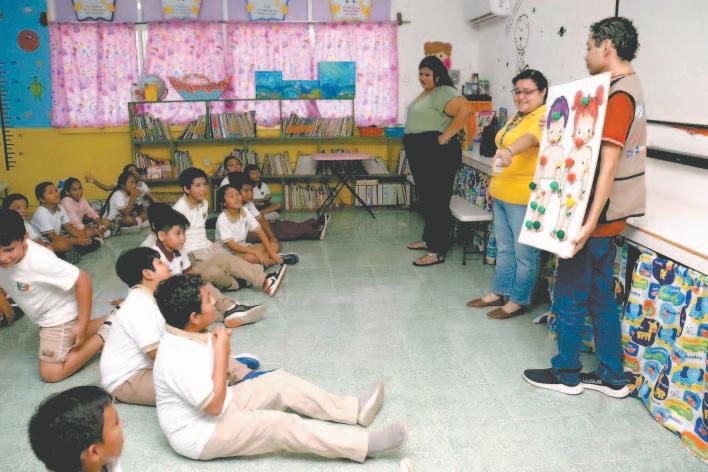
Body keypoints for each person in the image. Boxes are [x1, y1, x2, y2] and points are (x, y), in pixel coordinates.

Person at [153, 274, 409, 463]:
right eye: (209, 301)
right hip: (202, 433)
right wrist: (222, 354)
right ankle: (364, 445)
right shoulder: (175, 357)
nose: (215, 303)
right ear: (194, 317)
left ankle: (353, 409)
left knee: (280, 381)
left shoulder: (189, 330)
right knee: (279, 425)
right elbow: (214, 407)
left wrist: (222, 354)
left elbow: (214, 387)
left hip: (220, 404)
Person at [523, 16, 645, 398]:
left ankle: (567, 373)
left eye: (590, 46)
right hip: (605, 220)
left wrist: (587, 225)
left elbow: (608, 166)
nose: (586, 53)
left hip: (594, 220)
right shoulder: (624, 88)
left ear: (607, 46)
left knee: (570, 296)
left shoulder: (619, 96)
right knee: (600, 299)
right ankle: (612, 376)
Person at [466, 69, 548, 319]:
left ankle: (518, 300)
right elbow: (501, 149)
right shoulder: (516, 116)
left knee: (525, 253)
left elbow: (530, 139)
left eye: (528, 92)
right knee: (504, 248)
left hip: (524, 197)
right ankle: (499, 291)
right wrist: (493, 185)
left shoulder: (545, 117)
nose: (521, 97)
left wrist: (510, 150)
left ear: (543, 92)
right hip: (502, 192)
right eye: (517, 91)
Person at [0, 209, 110, 382]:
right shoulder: (8, 257)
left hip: (60, 316)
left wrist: (82, 323)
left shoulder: (40, 260)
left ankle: (105, 335)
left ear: (25, 238)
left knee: (51, 373)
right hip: (46, 315)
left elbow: (83, 279)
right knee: (73, 337)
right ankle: (114, 320)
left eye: (9, 250)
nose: (2, 258)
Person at [146, 203, 266, 326]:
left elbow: (189, 273)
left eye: (184, 233)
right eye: (178, 234)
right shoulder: (154, 256)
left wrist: (196, 284)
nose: (183, 238)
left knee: (211, 271)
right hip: (173, 297)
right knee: (203, 303)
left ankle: (235, 304)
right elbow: (161, 291)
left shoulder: (179, 249)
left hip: (184, 284)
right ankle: (229, 310)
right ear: (161, 235)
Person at [172, 167, 286, 296]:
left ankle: (264, 280)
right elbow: (174, 240)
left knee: (238, 263)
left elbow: (199, 229)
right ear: (187, 189)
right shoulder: (179, 209)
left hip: (209, 248)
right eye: (198, 186)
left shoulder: (204, 203)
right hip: (193, 254)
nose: (203, 189)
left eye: (204, 184)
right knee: (218, 272)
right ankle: (245, 281)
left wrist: (208, 245)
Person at [403, 55, 472, 266]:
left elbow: (466, 110)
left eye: (427, 74)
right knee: (427, 198)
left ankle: (437, 251)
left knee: (437, 200)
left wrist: (446, 136)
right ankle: (429, 240)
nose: (422, 78)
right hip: (422, 151)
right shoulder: (429, 93)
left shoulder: (445, 91)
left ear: (438, 75)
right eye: (420, 74)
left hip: (436, 153)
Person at [29, 386, 124, 472]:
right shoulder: (106, 457)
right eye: (116, 423)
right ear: (94, 452)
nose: (121, 424)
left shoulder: (107, 459)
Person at [227, 172, 330, 241]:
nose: (250, 194)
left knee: (287, 224)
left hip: (266, 227)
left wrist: (271, 234)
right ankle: (316, 233)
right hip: (257, 233)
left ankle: (312, 223)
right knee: (289, 230)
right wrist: (270, 236)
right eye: (246, 191)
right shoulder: (234, 211)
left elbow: (261, 219)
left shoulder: (248, 203)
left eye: (251, 190)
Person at [215, 184, 298, 267]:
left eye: (238, 194)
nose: (237, 198)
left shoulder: (244, 211)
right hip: (228, 254)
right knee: (249, 258)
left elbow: (260, 232)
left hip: (244, 248)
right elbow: (233, 246)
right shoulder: (222, 219)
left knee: (274, 245)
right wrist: (255, 252)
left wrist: (272, 253)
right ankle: (277, 261)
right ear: (223, 203)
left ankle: (265, 260)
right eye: (232, 196)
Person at [31, 181, 101, 263]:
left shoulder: (60, 207)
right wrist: (77, 241)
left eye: (56, 191)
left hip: (57, 239)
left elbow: (69, 227)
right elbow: (53, 237)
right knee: (63, 245)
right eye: (51, 193)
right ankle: (76, 251)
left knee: (88, 232)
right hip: (44, 245)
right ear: (42, 199)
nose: (56, 194)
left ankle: (73, 253)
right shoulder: (41, 212)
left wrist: (83, 236)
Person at [86, 163, 155, 206]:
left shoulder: (142, 185)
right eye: (131, 172)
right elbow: (107, 188)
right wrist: (94, 181)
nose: (134, 173)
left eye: (136, 170)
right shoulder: (123, 182)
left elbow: (153, 198)